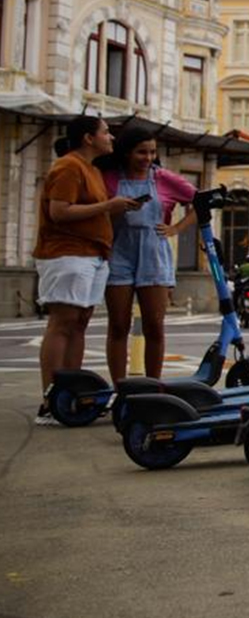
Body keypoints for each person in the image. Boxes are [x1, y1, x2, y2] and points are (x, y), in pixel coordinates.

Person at [34, 116, 141, 425]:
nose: (111, 138)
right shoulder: (68, 167)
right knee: (63, 322)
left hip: (93, 254)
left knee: (79, 322)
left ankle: (71, 396)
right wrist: (108, 206)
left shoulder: (92, 169)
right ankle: (50, 400)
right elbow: (59, 211)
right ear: (88, 138)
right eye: (106, 132)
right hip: (67, 253)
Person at [101, 127, 197, 384]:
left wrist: (176, 228)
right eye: (141, 152)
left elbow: (200, 202)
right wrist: (116, 209)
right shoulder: (108, 178)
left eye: (152, 152)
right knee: (118, 325)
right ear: (126, 153)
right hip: (118, 250)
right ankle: (120, 387)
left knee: (154, 325)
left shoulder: (164, 178)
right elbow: (98, 211)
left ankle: (154, 385)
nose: (148, 157)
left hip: (154, 252)